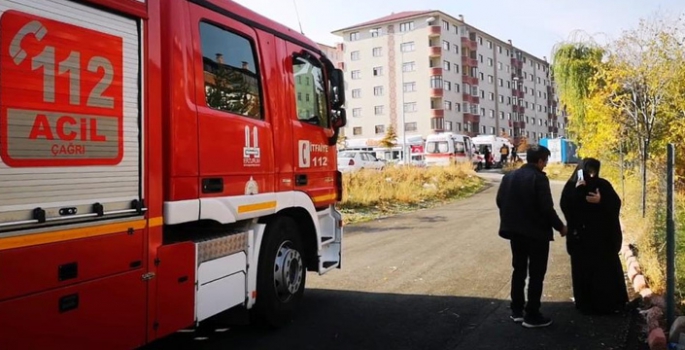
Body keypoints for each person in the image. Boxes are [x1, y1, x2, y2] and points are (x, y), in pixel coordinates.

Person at [496, 144, 567, 328]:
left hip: (515, 233)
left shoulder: (509, 177)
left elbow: (499, 201)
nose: (545, 166)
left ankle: (517, 311)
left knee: (518, 270)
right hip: (537, 234)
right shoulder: (539, 179)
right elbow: (546, 208)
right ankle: (532, 315)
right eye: (545, 162)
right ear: (540, 161)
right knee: (536, 273)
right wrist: (560, 227)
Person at [560, 158, 628, 315]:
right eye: (588, 171)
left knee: (605, 271)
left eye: (594, 171)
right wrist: (578, 192)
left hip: (602, 239)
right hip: (581, 240)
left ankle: (610, 303)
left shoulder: (603, 185)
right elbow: (566, 206)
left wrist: (601, 200)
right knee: (583, 272)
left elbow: (615, 204)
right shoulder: (572, 186)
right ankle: (586, 304)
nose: (591, 175)